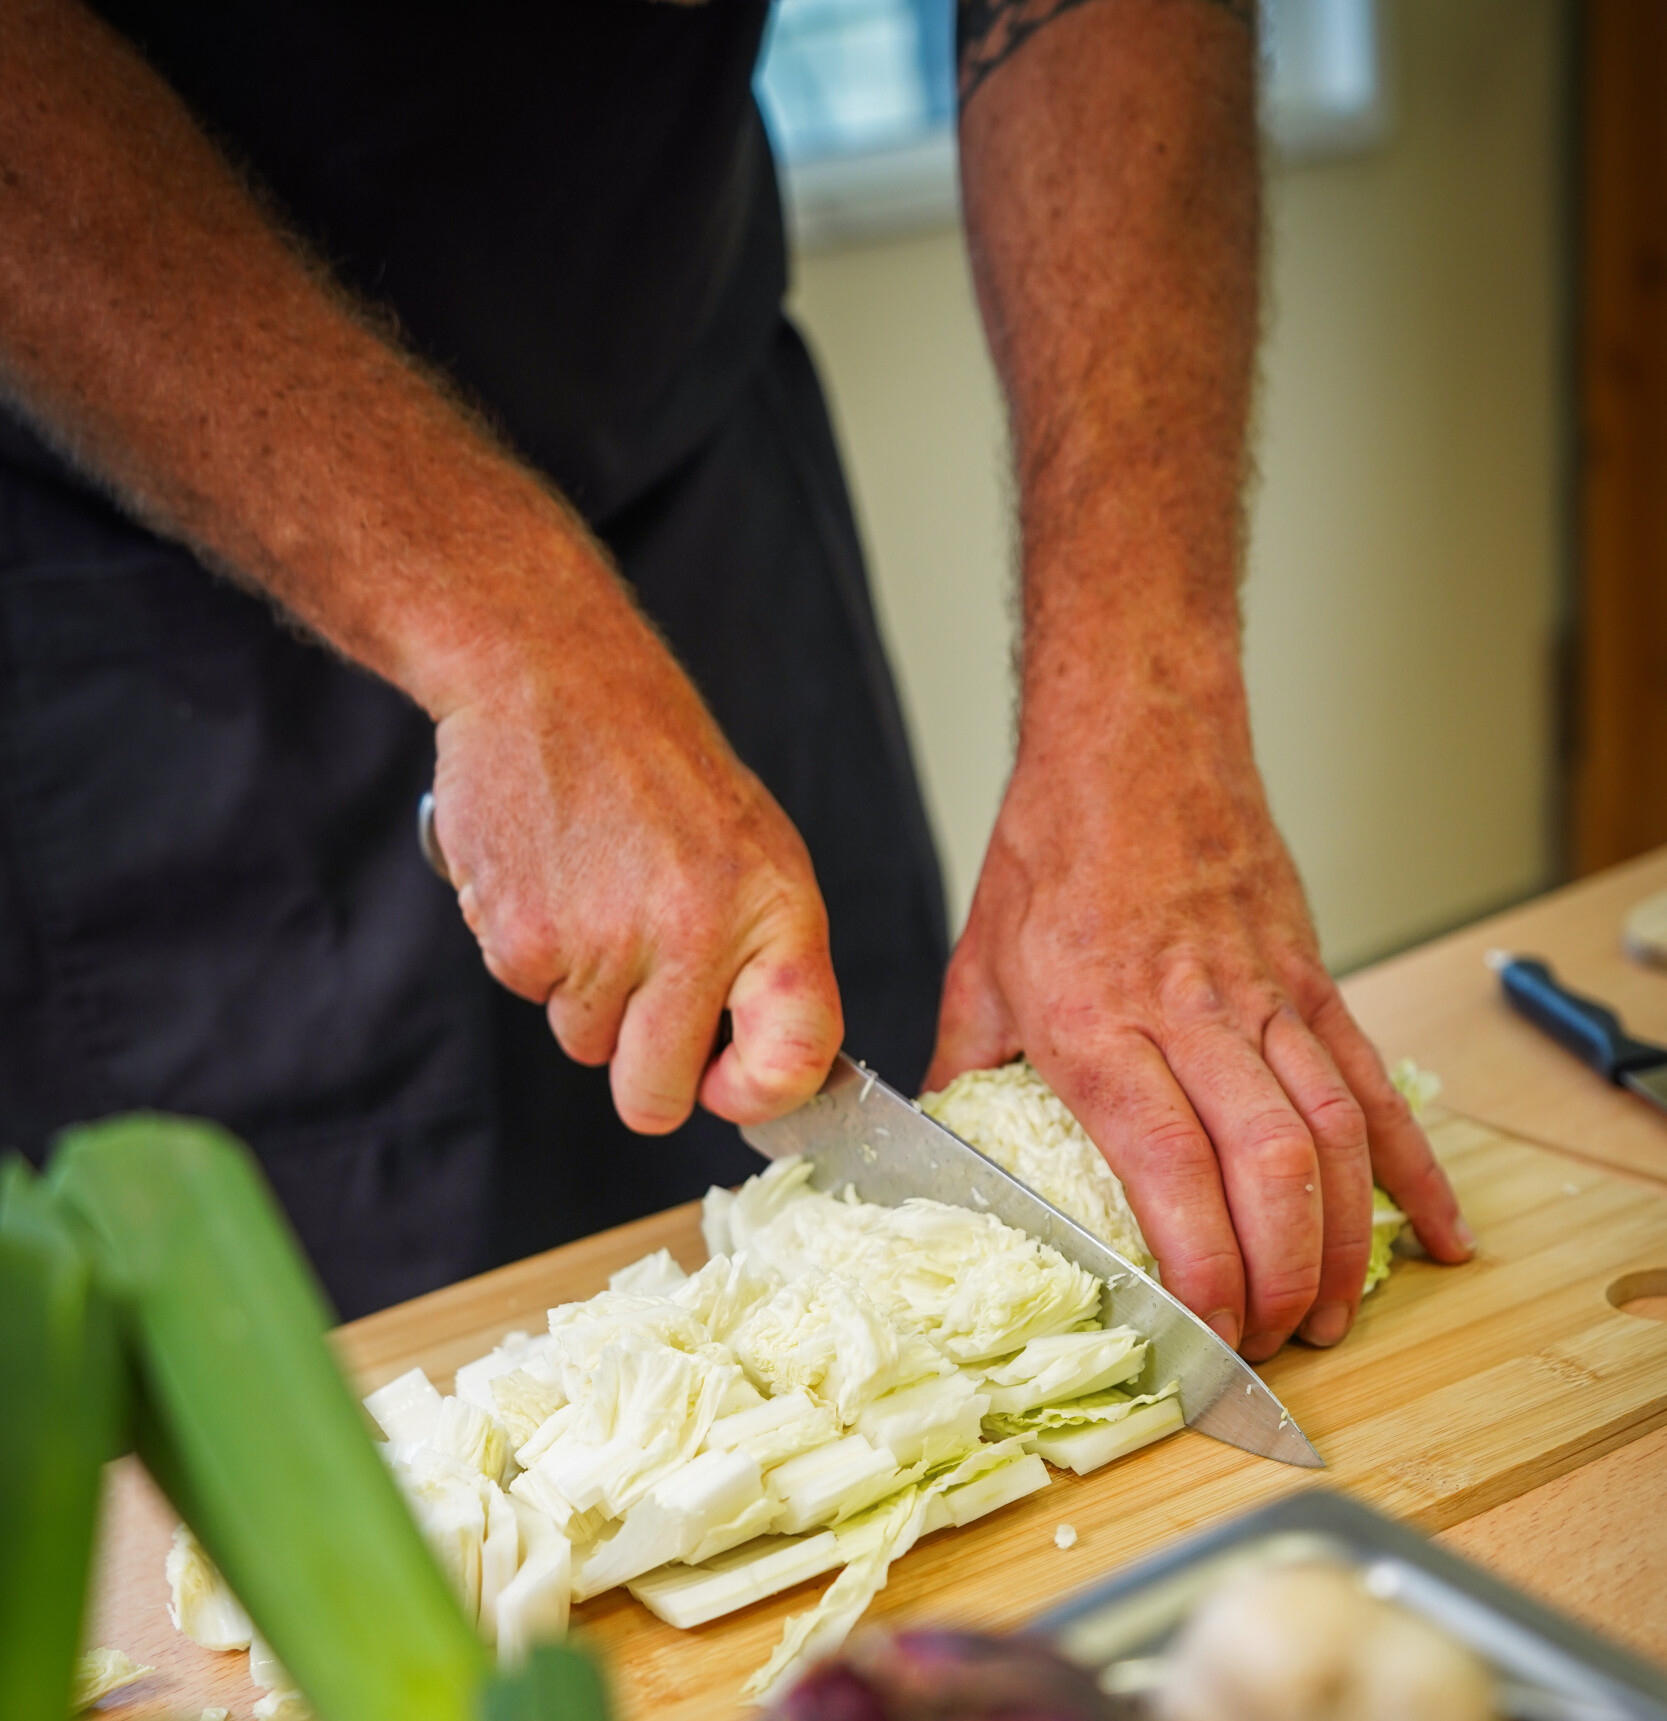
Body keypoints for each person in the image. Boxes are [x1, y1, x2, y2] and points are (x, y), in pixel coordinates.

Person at [0, 0, 1470, 1337]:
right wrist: (503, 631)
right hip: (148, 604)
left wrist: (1147, 698)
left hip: (697, 458)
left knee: (896, 1279)